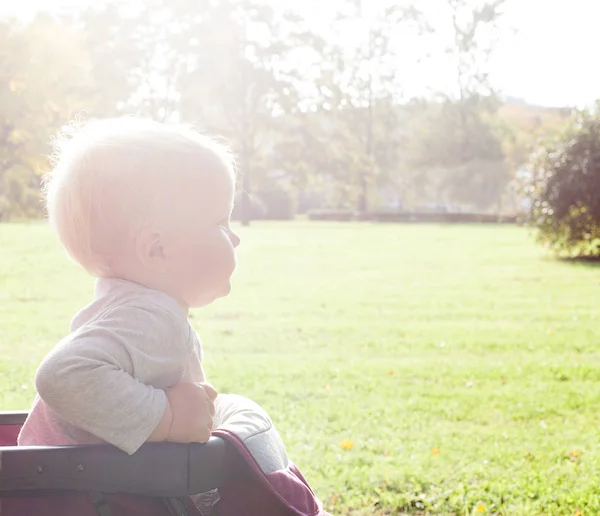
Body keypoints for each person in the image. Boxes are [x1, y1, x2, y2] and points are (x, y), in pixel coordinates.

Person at [18, 117, 240, 458]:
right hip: (87, 500)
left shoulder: (129, 305)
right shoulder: (151, 317)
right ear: (157, 249)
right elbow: (61, 374)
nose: (235, 239)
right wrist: (167, 417)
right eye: (220, 223)